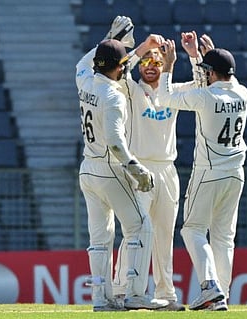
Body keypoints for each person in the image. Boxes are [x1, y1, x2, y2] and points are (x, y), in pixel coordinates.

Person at [96, 16, 210, 311]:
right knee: (135, 232)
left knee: (163, 234)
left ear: (164, 66)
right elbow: (122, 72)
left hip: (167, 170)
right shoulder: (131, 90)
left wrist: (194, 55)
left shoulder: (171, 92)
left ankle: (166, 293)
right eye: (145, 62)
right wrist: (144, 46)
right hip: (139, 169)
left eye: (156, 62)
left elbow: (202, 88)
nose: (149, 66)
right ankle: (123, 289)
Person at [75, 38, 168, 311]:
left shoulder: (85, 82)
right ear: (118, 68)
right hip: (110, 169)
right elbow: (116, 142)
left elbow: (82, 63)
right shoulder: (113, 96)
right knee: (140, 226)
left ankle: (100, 299)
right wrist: (136, 169)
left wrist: (109, 36)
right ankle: (135, 294)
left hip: (88, 169)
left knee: (100, 238)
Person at [158, 41, 247, 311]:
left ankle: (210, 287)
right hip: (236, 173)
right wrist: (202, 57)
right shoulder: (243, 93)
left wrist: (170, 65)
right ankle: (221, 294)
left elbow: (164, 98)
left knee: (192, 229)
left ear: (211, 73)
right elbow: (223, 80)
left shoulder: (206, 97)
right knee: (223, 237)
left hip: (209, 172)